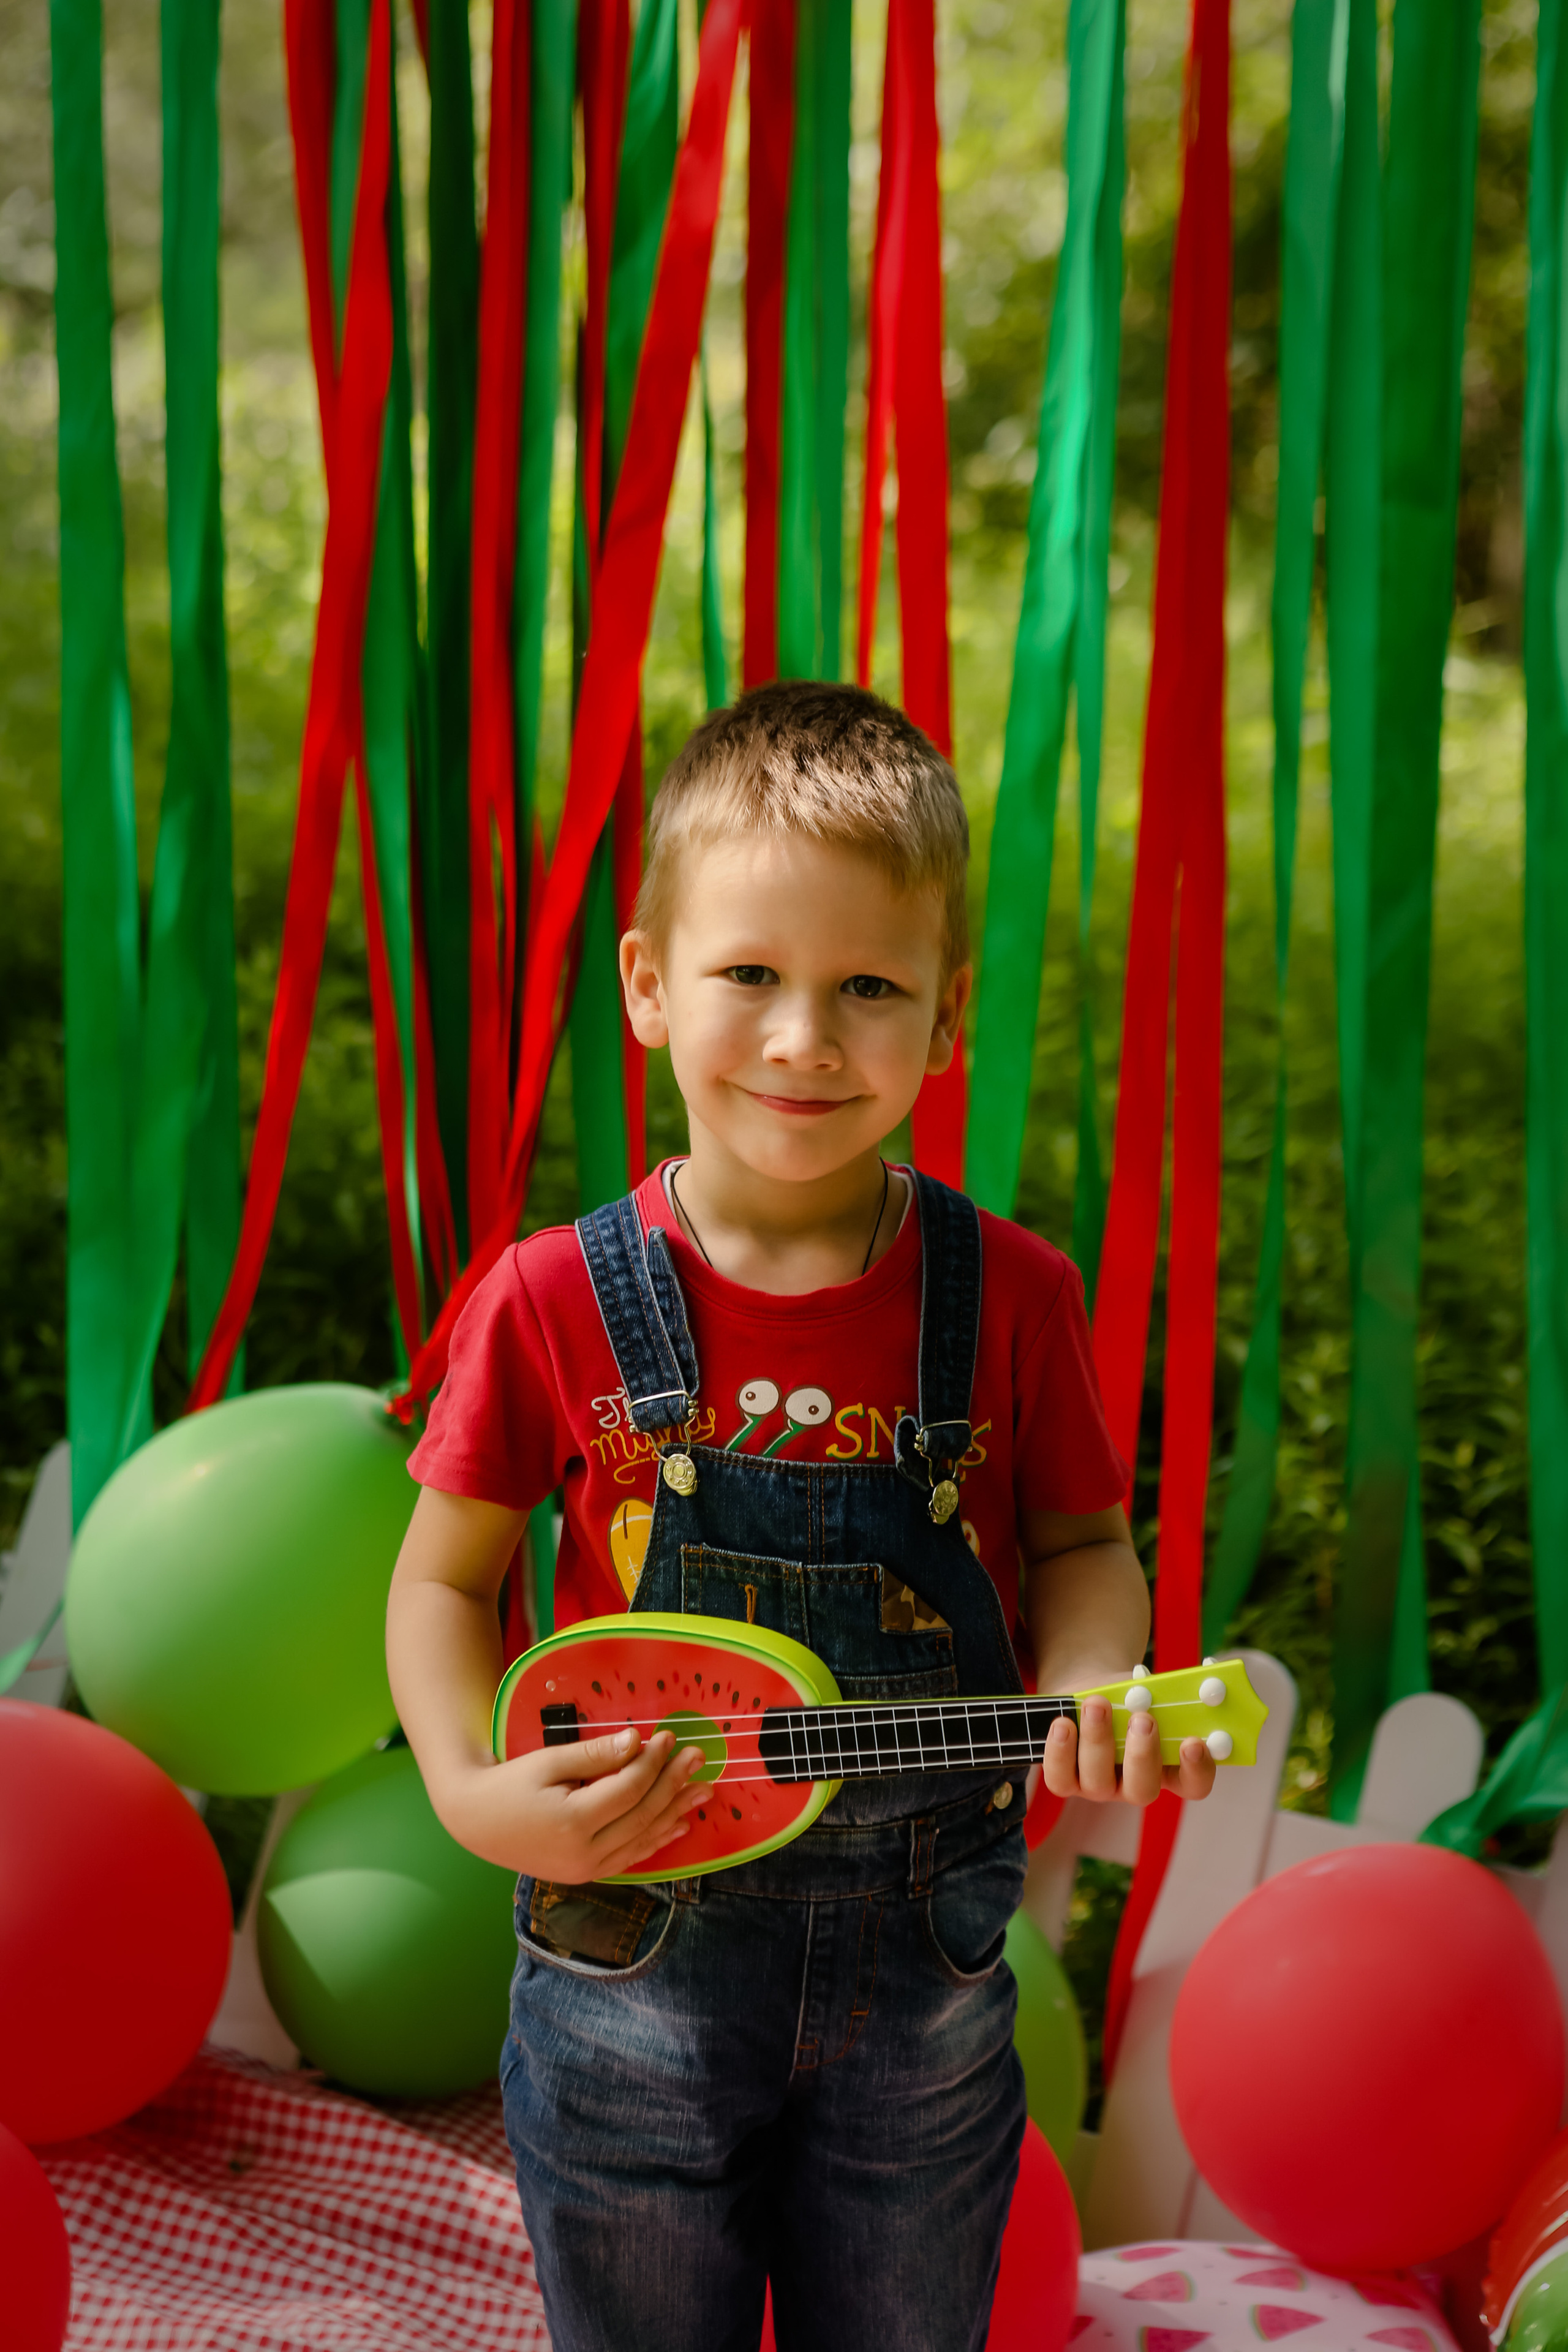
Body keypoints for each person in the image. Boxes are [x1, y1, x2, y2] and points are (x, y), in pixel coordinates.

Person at [386, 680, 1217, 2352]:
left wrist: (1102, 1684)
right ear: (646, 985)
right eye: (750, 975)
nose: (804, 1039)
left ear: (948, 1014)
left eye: (868, 989)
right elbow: (440, 1583)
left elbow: (1079, 1553)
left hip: (926, 1988)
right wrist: (479, 1803)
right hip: (633, 1961)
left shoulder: (1015, 1300)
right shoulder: (550, 1303)